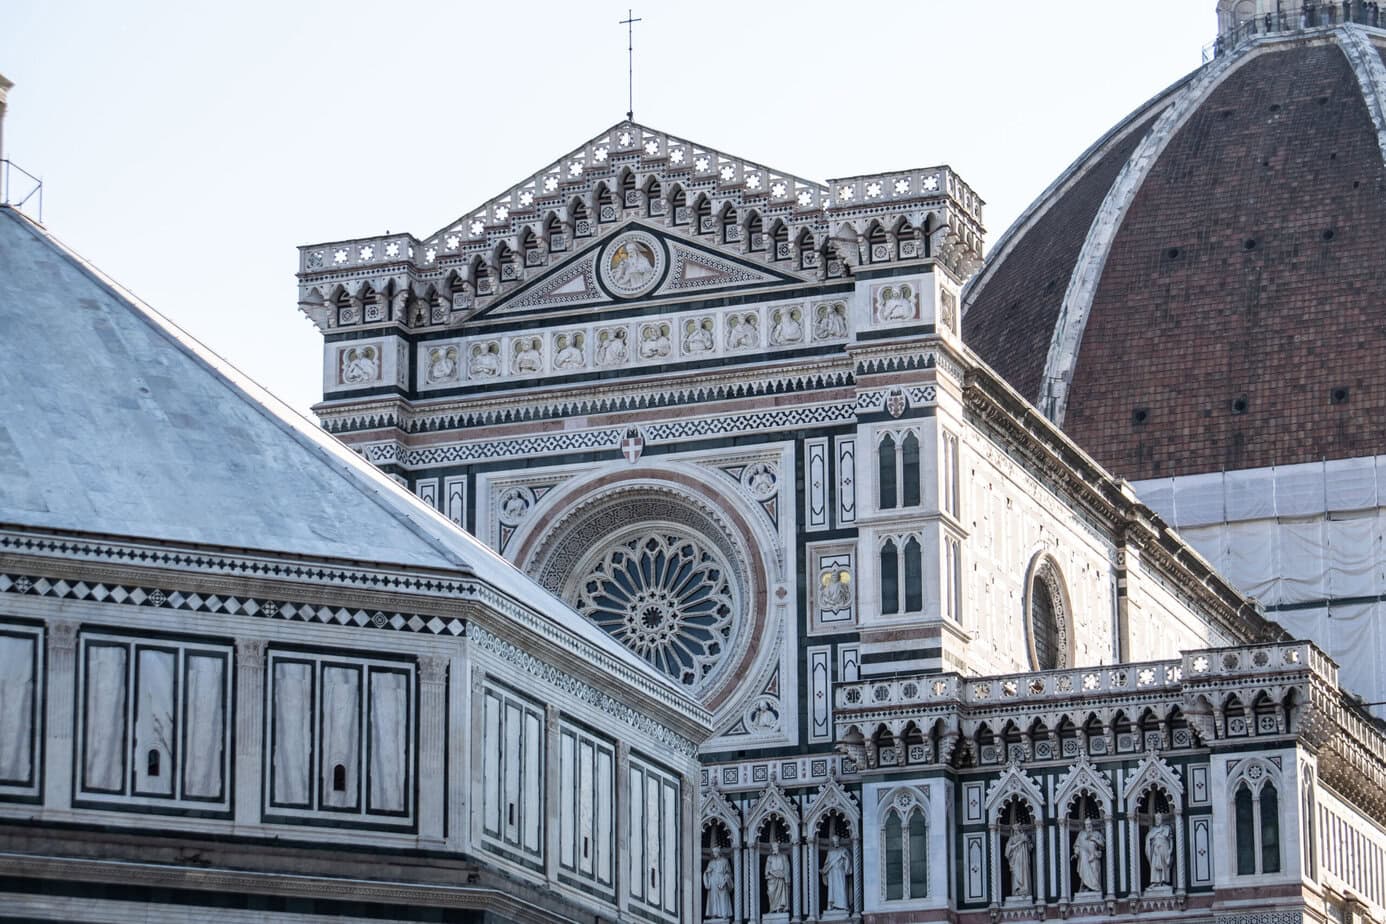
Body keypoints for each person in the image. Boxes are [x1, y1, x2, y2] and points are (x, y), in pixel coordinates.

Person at [1072, 817, 1104, 893]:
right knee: (1084, 871)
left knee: (1095, 872)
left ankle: (1095, 888)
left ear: (1092, 825)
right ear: (1085, 826)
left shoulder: (1096, 834)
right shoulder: (1081, 834)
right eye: (1086, 825)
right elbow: (1077, 845)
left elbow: (1102, 845)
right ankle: (1084, 887)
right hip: (1084, 858)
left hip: (1094, 858)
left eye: (1089, 824)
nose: (1088, 826)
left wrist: (1094, 839)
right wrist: (1076, 854)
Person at [821, 835, 851, 911]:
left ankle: (843, 905)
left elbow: (848, 861)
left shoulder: (843, 850)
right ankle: (832, 905)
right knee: (832, 891)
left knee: (841, 887)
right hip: (832, 873)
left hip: (840, 871)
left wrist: (845, 858)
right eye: (835, 842)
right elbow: (827, 863)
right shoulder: (830, 852)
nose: (836, 843)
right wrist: (824, 870)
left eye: (837, 841)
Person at [703, 846, 733, 919]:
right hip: (713, 881)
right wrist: (706, 877)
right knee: (713, 899)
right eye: (713, 852)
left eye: (715, 852)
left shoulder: (725, 861)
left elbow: (729, 873)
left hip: (722, 880)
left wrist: (724, 881)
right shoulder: (711, 862)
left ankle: (724, 915)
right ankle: (714, 914)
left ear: (718, 852)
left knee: (723, 897)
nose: (714, 854)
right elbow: (707, 872)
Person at [1004, 823, 1032, 898]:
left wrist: (1026, 841)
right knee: (1016, 874)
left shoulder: (1024, 836)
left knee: (1024, 873)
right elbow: (1008, 850)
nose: (1016, 831)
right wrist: (1020, 842)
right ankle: (1016, 890)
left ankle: (1024, 890)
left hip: (1023, 859)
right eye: (1015, 830)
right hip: (1015, 859)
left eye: (1017, 829)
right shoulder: (1012, 838)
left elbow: (1030, 847)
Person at [1145, 812, 1173, 886]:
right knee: (1155, 865)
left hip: (1164, 848)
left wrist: (1171, 849)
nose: (1157, 820)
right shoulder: (1153, 830)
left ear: (1162, 819)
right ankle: (1156, 882)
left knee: (1164, 865)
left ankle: (1164, 882)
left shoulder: (1167, 828)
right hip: (1155, 850)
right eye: (1156, 819)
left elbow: (1170, 840)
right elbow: (1149, 839)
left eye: (1159, 818)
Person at [764, 841, 789, 912]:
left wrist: (786, 878)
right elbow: (767, 871)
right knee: (770, 892)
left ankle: (780, 908)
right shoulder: (769, 858)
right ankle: (772, 908)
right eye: (774, 847)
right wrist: (772, 873)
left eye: (777, 847)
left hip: (781, 878)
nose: (775, 848)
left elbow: (786, 868)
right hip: (772, 879)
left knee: (781, 895)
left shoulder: (784, 857)